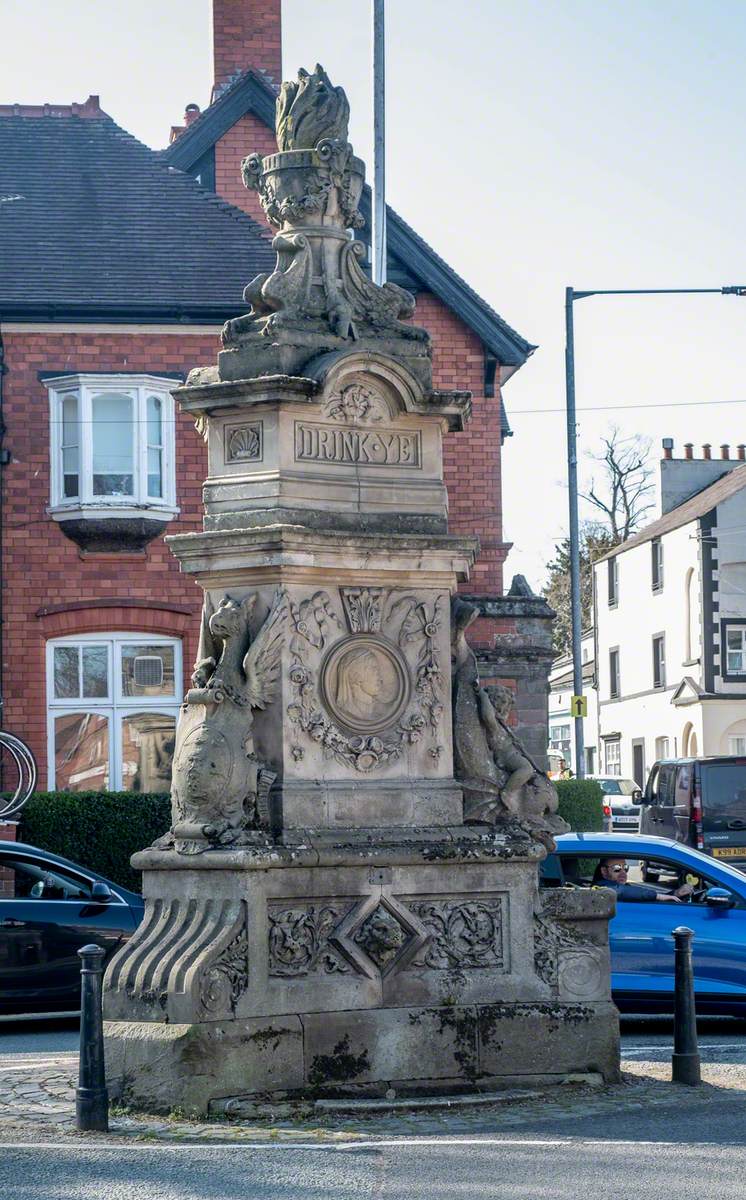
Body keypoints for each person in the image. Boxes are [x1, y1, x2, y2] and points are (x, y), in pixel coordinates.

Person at [594, 857, 693, 903]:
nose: (623, 872)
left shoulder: (626, 888)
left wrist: (675, 894)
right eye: (617, 868)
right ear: (604, 871)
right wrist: (657, 895)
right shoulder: (601, 887)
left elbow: (644, 897)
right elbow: (621, 891)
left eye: (626, 867)